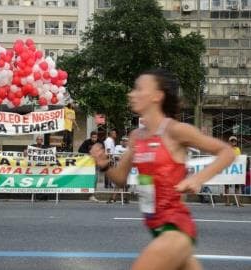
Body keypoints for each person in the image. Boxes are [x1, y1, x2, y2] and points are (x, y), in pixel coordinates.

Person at [90, 69, 235, 270]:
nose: (131, 94)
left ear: (157, 96)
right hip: (156, 228)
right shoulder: (136, 137)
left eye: (139, 89)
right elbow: (121, 179)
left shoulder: (176, 131)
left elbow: (227, 152)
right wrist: (104, 164)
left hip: (176, 229)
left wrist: (198, 178)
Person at [78, 131, 103, 202]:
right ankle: (90, 193)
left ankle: (92, 194)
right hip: (88, 164)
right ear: (90, 137)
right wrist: (89, 152)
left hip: (96, 163)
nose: (94, 139)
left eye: (95, 137)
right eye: (93, 137)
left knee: (95, 179)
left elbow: (103, 150)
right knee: (88, 178)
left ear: (97, 137)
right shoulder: (87, 142)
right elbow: (80, 150)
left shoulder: (100, 142)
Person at [224, 136, 243, 206]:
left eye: (234, 141)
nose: (233, 142)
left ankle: (237, 202)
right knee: (226, 186)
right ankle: (227, 202)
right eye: (232, 141)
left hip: (236, 169)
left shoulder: (238, 149)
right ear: (229, 142)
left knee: (237, 186)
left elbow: (240, 159)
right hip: (228, 169)